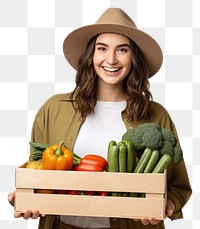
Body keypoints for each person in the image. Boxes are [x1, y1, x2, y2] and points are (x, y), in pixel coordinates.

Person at [8, 7, 192, 229]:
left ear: (134, 57)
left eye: (122, 50)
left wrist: (166, 205)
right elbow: (36, 170)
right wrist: (26, 197)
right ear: (91, 55)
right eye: (102, 48)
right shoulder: (53, 109)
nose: (111, 59)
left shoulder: (156, 115)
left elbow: (178, 186)